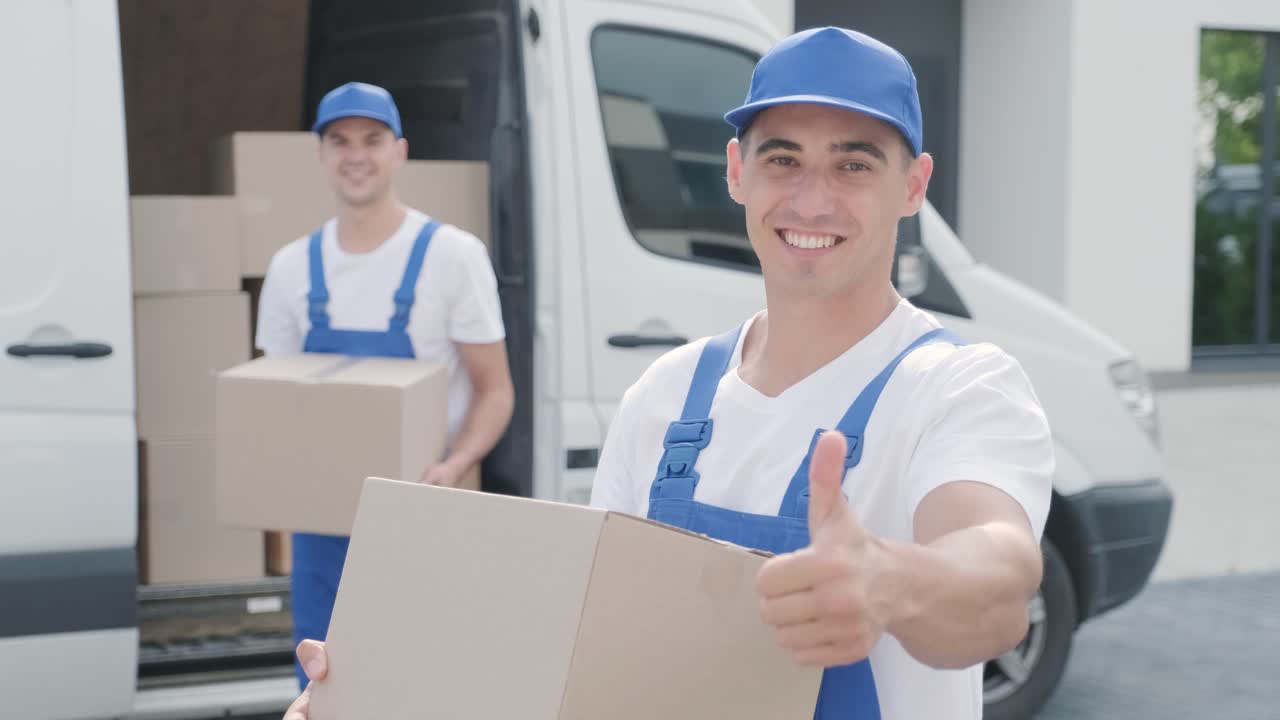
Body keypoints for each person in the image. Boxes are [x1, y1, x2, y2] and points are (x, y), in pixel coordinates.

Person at [283, 28, 1052, 720]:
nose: (812, 199)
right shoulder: (665, 397)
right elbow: (586, 648)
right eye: (782, 159)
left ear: (914, 185)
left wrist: (890, 581)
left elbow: (999, 577)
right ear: (735, 173)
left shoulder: (958, 388)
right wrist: (379, 689)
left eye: (854, 163)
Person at [256, 81, 514, 691]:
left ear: (399, 152)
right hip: (322, 525)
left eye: (372, 140)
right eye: (339, 141)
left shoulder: (452, 258)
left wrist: (453, 465)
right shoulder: (291, 268)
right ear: (320, 155)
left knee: (428, 682)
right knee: (327, 686)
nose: (356, 155)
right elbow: (276, 404)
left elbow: (495, 390)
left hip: (424, 513)